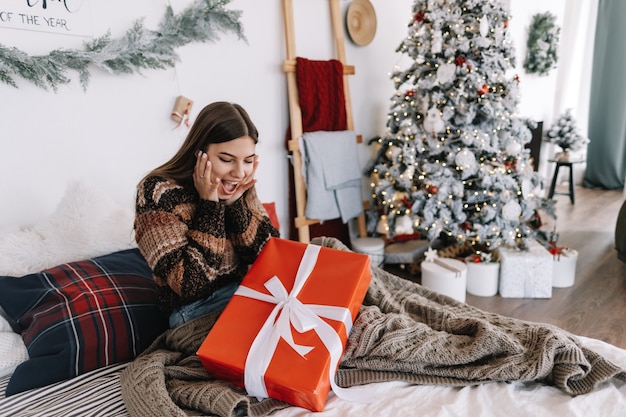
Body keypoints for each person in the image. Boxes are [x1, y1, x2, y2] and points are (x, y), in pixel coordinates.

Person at [134, 101, 280, 328]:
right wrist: (209, 205)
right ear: (199, 153)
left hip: (245, 294)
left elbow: (270, 256)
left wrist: (235, 204)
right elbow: (190, 284)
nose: (240, 172)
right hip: (194, 313)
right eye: (226, 159)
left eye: (248, 161)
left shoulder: (238, 186)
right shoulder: (157, 192)